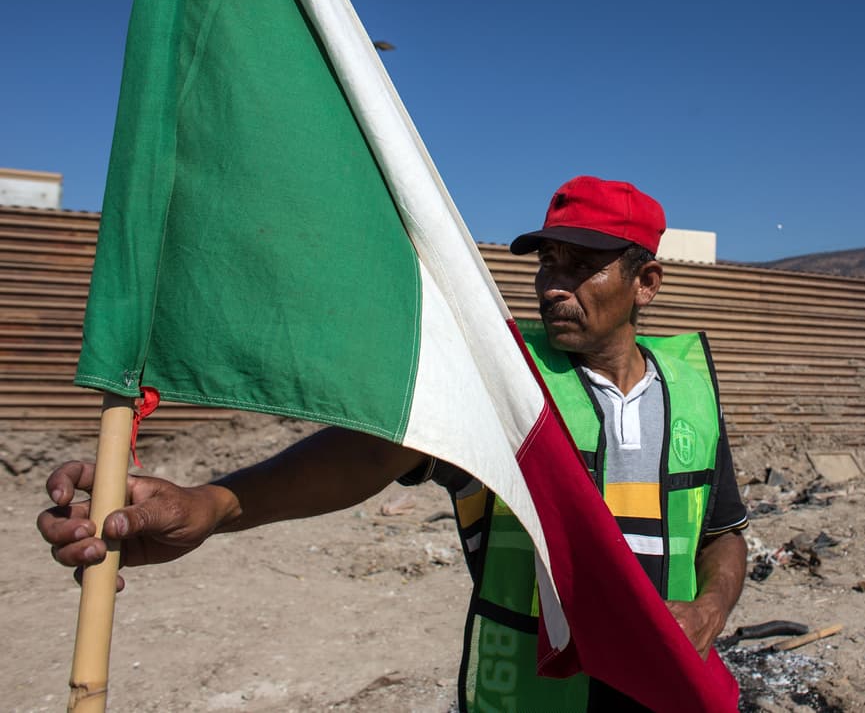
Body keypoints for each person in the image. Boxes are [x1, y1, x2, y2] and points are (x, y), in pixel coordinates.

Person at [39, 175, 748, 711]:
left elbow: (723, 532)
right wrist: (211, 504)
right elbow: (371, 453)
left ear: (646, 282)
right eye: (548, 263)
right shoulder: (509, 382)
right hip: (537, 697)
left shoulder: (689, 388)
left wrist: (710, 609)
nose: (553, 286)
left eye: (581, 265)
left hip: (664, 691)